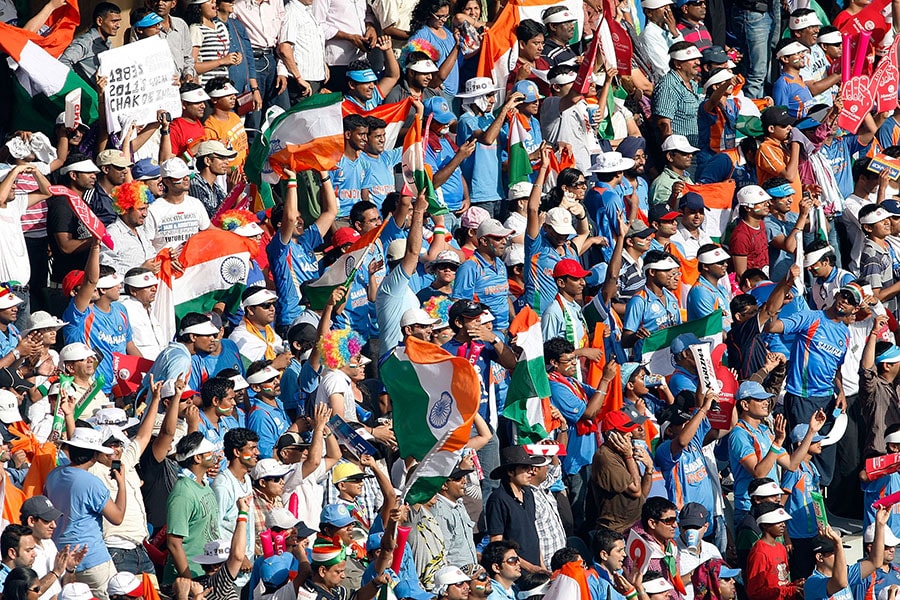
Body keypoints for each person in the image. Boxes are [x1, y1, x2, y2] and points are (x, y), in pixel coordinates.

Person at [45, 428, 126, 599]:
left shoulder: (53, 475)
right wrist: (122, 484)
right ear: (94, 453)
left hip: (60, 557)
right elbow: (117, 517)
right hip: (92, 558)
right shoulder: (92, 483)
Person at [164, 432, 222, 584]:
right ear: (197, 458)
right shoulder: (183, 493)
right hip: (190, 577)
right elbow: (174, 543)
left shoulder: (203, 485)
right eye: (208, 453)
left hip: (207, 572)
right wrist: (189, 581)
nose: (213, 455)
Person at [144, 158, 211, 252]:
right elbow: (147, 245)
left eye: (187, 174)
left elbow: (209, 230)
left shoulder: (195, 203)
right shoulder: (153, 209)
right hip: (165, 265)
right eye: (180, 176)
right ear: (166, 181)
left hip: (193, 263)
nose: (186, 178)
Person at [652, 42, 703, 149]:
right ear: (677, 64)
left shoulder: (692, 84)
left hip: (697, 149)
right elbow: (663, 123)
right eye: (692, 59)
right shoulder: (668, 86)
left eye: (697, 59)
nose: (698, 62)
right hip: (681, 153)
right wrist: (672, 152)